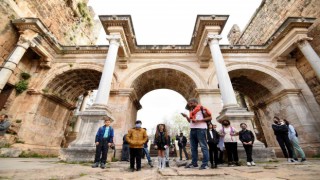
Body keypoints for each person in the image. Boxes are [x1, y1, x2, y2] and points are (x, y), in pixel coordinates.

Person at [181, 98, 211, 170]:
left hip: (201, 129)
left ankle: (205, 164)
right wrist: (186, 117)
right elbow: (190, 121)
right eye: (189, 104)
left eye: (191, 103)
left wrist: (199, 120)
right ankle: (194, 163)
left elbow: (210, 117)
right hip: (192, 130)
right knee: (193, 148)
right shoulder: (191, 111)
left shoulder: (202, 108)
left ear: (195, 102)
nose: (190, 105)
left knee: (203, 146)